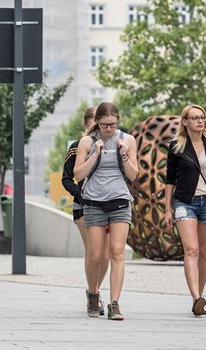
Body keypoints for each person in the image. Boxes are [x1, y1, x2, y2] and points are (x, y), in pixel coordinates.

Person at [73, 102, 138, 320]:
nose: (109, 129)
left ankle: (115, 303)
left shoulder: (127, 140)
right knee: (95, 254)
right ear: (97, 123)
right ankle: (93, 294)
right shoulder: (86, 142)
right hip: (94, 201)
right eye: (104, 125)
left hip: (119, 200)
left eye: (113, 124)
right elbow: (79, 175)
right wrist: (95, 154)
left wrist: (124, 155)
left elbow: (133, 175)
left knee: (117, 252)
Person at [164, 104, 206, 316]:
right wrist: (167, 209)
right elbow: (170, 179)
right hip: (184, 202)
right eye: (194, 117)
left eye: (202, 117)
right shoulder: (176, 146)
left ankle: (201, 295)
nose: (200, 121)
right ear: (185, 121)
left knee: (204, 252)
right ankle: (196, 298)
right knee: (192, 250)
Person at [61, 106, 110, 316]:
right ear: (87, 125)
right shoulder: (76, 147)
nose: (96, 134)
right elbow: (66, 178)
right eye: (93, 127)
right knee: (93, 251)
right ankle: (94, 295)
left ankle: (94, 291)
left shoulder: (114, 143)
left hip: (108, 202)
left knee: (106, 254)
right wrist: (81, 194)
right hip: (83, 205)